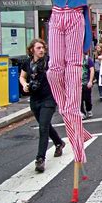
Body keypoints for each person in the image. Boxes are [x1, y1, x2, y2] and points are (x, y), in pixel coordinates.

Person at [37, 0, 101, 166]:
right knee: (55, 68)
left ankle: (73, 108)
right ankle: (66, 106)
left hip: (75, 16)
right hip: (57, 16)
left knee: (73, 65)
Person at [19, 39, 65, 173]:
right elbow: (22, 76)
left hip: (48, 98)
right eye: (38, 48)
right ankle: (59, 143)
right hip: (35, 99)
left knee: (43, 127)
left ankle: (40, 159)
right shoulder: (27, 63)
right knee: (46, 126)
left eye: (43, 48)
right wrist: (24, 85)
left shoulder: (49, 62)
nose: (41, 50)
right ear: (32, 49)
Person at [80, 52, 95, 119]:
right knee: (79, 99)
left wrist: (90, 81)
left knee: (87, 98)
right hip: (78, 83)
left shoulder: (88, 59)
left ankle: (89, 109)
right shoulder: (74, 60)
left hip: (86, 82)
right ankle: (82, 112)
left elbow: (92, 70)